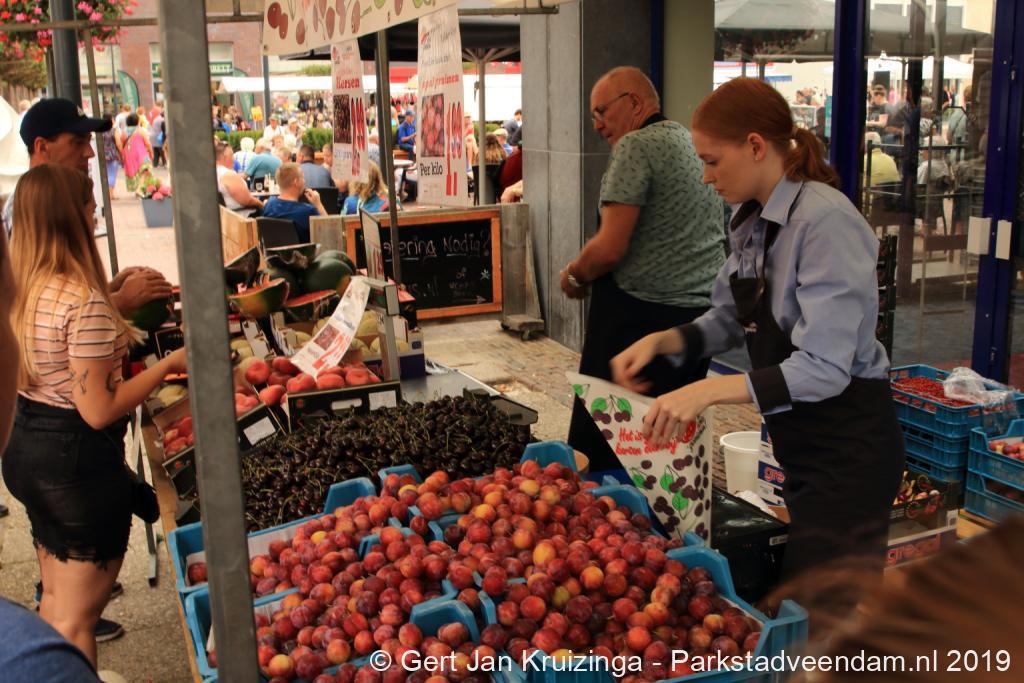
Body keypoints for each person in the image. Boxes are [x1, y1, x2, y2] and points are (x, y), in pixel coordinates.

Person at [610, 77, 904, 588]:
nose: (705, 176)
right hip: (802, 447)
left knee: (822, 615)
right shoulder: (751, 222)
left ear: (754, 146)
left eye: (712, 161)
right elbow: (730, 319)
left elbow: (825, 368)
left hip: (849, 453)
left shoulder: (826, 224)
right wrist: (664, 341)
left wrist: (707, 392)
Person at [5, 164, 188, 669]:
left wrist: (111, 293)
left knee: (56, 606)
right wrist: (172, 364)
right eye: (90, 207)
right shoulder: (84, 303)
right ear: (75, 217)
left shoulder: (25, 287)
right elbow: (98, 409)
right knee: (77, 621)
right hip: (75, 470)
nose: (95, 216)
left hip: (28, 450)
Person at [563, 66, 725, 473]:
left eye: (601, 111)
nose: (597, 124)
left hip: (638, 318)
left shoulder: (635, 146)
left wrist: (575, 275)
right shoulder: (688, 142)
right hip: (697, 319)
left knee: (606, 446)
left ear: (634, 102)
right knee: (668, 447)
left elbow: (609, 249)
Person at [261, 163, 327, 243]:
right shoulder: (308, 211)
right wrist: (318, 205)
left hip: (273, 251)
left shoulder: (268, 205)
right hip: (304, 251)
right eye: (303, 177)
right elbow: (329, 233)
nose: (304, 181)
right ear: (296, 182)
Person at [215, 141, 263, 217]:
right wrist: (262, 204)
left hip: (225, 216)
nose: (234, 159)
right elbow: (247, 200)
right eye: (231, 155)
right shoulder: (228, 175)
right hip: (243, 217)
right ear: (224, 156)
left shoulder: (212, 173)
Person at [122, 114, 154, 195]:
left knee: (134, 172)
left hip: (129, 154)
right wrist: (151, 153)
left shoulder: (124, 131)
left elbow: (122, 143)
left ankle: (138, 188)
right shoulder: (140, 130)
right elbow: (147, 143)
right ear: (137, 121)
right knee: (145, 170)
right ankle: (140, 189)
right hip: (141, 154)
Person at [101, 118, 123, 201]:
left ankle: (107, 194)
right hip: (112, 155)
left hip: (102, 154)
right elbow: (118, 143)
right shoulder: (114, 130)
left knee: (105, 175)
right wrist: (121, 153)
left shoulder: (100, 130)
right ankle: (110, 194)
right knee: (112, 174)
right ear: (112, 120)